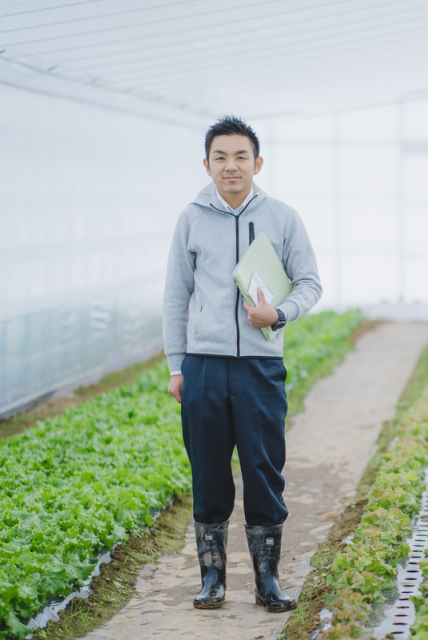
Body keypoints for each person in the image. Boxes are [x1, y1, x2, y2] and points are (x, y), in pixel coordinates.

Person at [163, 116, 322, 611]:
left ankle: (267, 582)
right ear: (207, 164)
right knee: (208, 473)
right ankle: (212, 580)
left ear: (257, 162)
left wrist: (279, 313)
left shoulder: (283, 218)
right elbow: (176, 296)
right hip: (205, 366)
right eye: (220, 157)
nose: (230, 166)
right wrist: (176, 365)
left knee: (262, 470)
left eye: (239, 156)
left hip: (260, 369)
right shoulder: (191, 218)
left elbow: (310, 283)